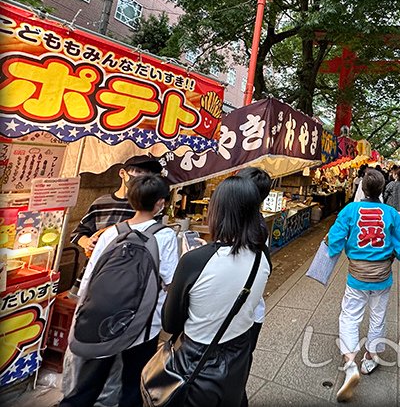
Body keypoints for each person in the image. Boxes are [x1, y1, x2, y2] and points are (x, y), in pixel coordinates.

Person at [61, 174, 179, 407]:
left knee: (88, 384)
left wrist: (81, 313)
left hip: (102, 320)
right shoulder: (164, 235)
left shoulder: (110, 233)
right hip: (144, 325)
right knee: (132, 385)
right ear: (160, 204)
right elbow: (169, 280)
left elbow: (90, 276)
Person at [161, 176, 271, 407]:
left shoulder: (194, 261)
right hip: (238, 360)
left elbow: (170, 323)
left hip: (197, 365)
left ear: (217, 211)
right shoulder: (262, 258)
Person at [327, 168, 400, 402]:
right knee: (378, 315)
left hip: (357, 276)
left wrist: (332, 251)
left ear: (362, 188)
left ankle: (350, 363)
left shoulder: (350, 210)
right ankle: (371, 357)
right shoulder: (392, 214)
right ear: (382, 189)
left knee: (350, 316)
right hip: (382, 276)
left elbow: (334, 241)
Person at [235, 167, 272, 407]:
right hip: (252, 313)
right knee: (240, 368)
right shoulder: (258, 226)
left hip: (239, 317)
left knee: (234, 372)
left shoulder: (245, 229)